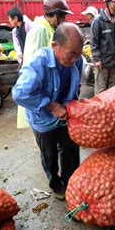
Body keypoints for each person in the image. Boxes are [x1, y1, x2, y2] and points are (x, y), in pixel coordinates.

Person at [12, 23, 84, 201]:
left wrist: (72, 103)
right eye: (71, 54)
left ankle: (71, 182)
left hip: (65, 115)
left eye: (78, 54)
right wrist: (52, 106)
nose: (75, 59)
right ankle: (55, 183)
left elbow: (76, 85)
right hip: (42, 119)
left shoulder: (78, 60)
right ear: (54, 46)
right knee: (49, 155)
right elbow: (19, 94)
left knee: (70, 150)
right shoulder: (38, 62)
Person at [17, 0, 73, 129]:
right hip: (42, 93)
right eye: (63, 16)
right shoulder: (40, 30)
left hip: (50, 93)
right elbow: (36, 63)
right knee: (46, 137)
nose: (64, 20)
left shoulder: (48, 28)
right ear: (55, 15)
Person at [91, 0, 115, 94]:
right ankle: (99, 109)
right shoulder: (98, 21)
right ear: (107, 3)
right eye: (114, 4)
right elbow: (94, 41)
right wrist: (97, 59)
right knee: (101, 91)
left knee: (112, 90)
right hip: (103, 63)